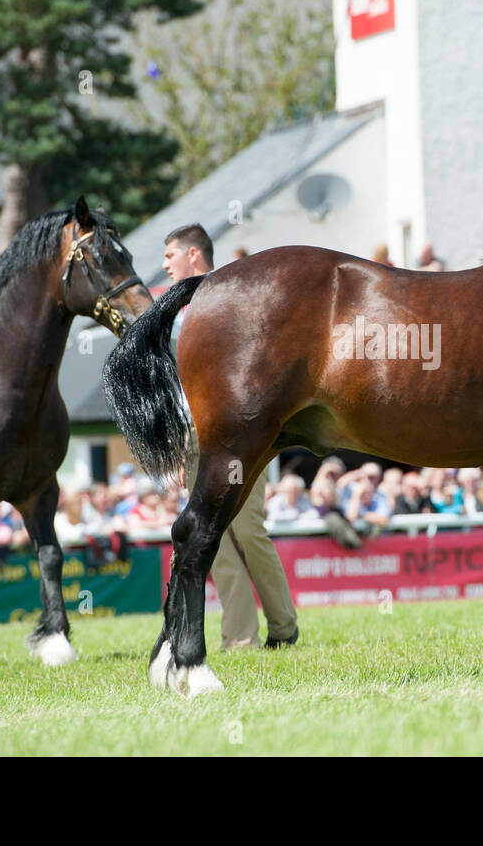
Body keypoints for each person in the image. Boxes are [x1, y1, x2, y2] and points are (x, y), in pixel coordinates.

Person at [161, 223, 299, 650]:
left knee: (248, 529)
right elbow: (174, 385)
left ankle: (283, 626)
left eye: (170, 256)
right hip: (193, 439)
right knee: (211, 538)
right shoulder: (172, 313)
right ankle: (240, 638)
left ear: (194, 256)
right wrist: (178, 447)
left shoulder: (232, 300)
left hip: (239, 436)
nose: (165, 265)